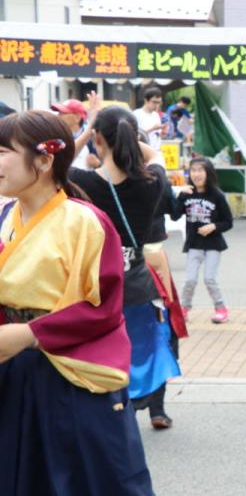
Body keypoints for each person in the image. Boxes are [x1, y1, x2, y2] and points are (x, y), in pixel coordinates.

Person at [0, 111, 221, 496]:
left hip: (75, 370)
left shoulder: (84, 220)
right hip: (15, 373)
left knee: (118, 488)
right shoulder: (6, 218)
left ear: (43, 160)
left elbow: (102, 308)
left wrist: (28, 333)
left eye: (3, 151)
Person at [69, 106, 181, 430]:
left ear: (98, 139)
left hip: (95, 290)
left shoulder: (81, 182)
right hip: (137, 287)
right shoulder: (151, 182)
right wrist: (127, 135)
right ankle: (142, 413)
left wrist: (88, 129)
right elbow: (155, 155)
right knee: (142, 353)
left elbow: (56, 163)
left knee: (101, 360)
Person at [170, 157, 233, 324]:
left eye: (200, 170)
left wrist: (213, 226)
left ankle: (221, 309)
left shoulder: (217, 195)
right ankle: (184, 309)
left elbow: (228, 222)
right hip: (193, 244)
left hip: (213, 244)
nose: (196, 174)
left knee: (209, 278)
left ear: (208, 173)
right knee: (190, 280)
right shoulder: (187, 194)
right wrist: (180, 196)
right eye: (193, 170)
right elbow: (174, 216)